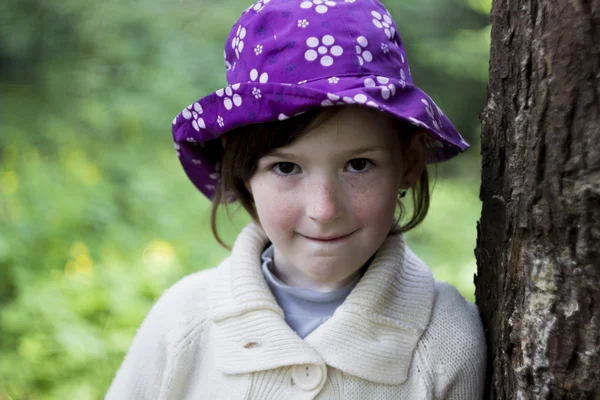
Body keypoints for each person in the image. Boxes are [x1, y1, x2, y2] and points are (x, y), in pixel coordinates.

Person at [107, 0, 486, 398]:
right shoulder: (181, 323)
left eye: (358, 164)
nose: (324, 210)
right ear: (244, 174)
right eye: (286, 168)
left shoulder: (447, 339)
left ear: (407, 164)